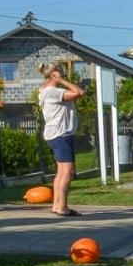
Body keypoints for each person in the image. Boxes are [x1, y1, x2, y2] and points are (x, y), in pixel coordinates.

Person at [37, 63, 84, 217]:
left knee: (61, 172)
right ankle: (62, 207)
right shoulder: (52, 92)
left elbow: (73, 96)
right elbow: (79, 92)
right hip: (61, 134)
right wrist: (62, 81)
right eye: (60, 72)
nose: (63, 74)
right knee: (68, 172)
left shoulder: (45, 91)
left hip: (55, 134)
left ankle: (57, 205)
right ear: (54, 74)